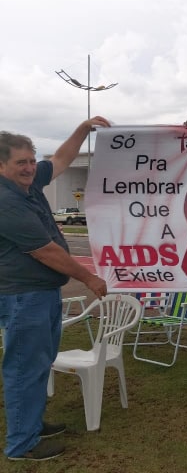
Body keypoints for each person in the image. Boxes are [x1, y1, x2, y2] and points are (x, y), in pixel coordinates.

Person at [0, 119, 110, 461]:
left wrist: (83, 128)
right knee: (24, 367)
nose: (30, 168)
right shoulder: (6, 201)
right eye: (22, 163)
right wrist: (90, 278)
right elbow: (45, 251)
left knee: (39, 362)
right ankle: (21, 443)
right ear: (1, 165)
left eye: (32, 161)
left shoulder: (28, 185)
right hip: (24, 297)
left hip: (42, 294)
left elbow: (61, 159)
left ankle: (30, 425)